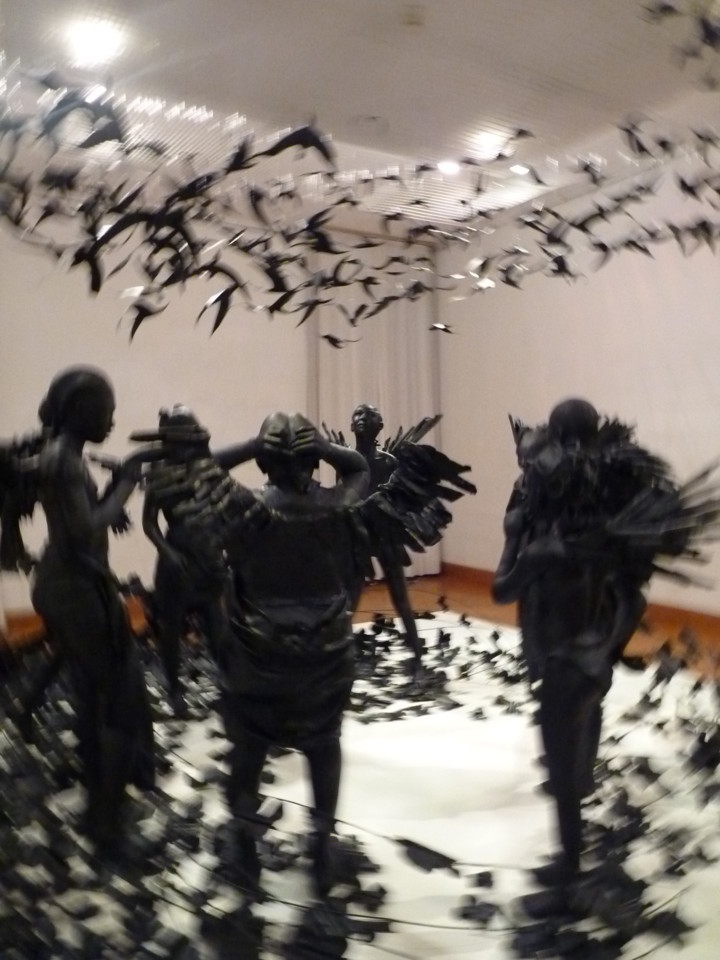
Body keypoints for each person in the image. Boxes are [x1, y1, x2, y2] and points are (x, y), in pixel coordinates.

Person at [492, 398, 695, 887]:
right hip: (590, 629)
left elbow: (504, 583)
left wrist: (514, 537)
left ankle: (570, 844)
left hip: (560, 628)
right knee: (584, 701)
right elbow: (635, 587)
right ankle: (579, 771)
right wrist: (611, 637)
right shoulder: (605, 508)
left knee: (560, 723)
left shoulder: (558, 515)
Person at [214, 412, 369, 896]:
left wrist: (252, 444)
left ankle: (244, 849)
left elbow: (203, 469)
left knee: (249, 746)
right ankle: (321, 849)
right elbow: (360, 467)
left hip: (259, 653)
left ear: (263, 463)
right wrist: (323, 446)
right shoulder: (337, 506)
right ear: (313, 459)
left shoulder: (243, 508)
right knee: (324, 745)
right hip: (326, 653)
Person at [29, 366, 156, 857]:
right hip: (76, 589)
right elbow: (81, 532)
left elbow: (80, 520)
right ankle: (106, 826)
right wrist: (124, 484)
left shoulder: (64, 457)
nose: (112, 420)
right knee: (118, 699)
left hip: (77, 584)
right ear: (80, 411)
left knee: (97, 692)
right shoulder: (62, 460)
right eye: (107, 411)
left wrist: (107, 500)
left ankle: (104, 794)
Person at [136, 405, 234, 716]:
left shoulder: (210, 472)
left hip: (208, 561)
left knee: (217, 628)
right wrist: (168, 552)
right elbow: (149, 522)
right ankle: (175, 692)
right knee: (171, 631)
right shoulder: (161, 476)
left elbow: (224, 511)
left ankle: (229, 686)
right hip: (177, 565)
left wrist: (225, 547)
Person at [349, 403, 424, 667]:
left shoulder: (389, 462)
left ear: (380, 425)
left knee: (400, 596)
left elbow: (397, 503)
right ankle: (338, 655)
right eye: (358, 414)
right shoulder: (347, 462)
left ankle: (416, 654)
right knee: (350, 597)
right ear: (351, 425)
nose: (362, 418)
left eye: (369, 415)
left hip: (385, 535)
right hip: (359, 534)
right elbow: (344, 500)